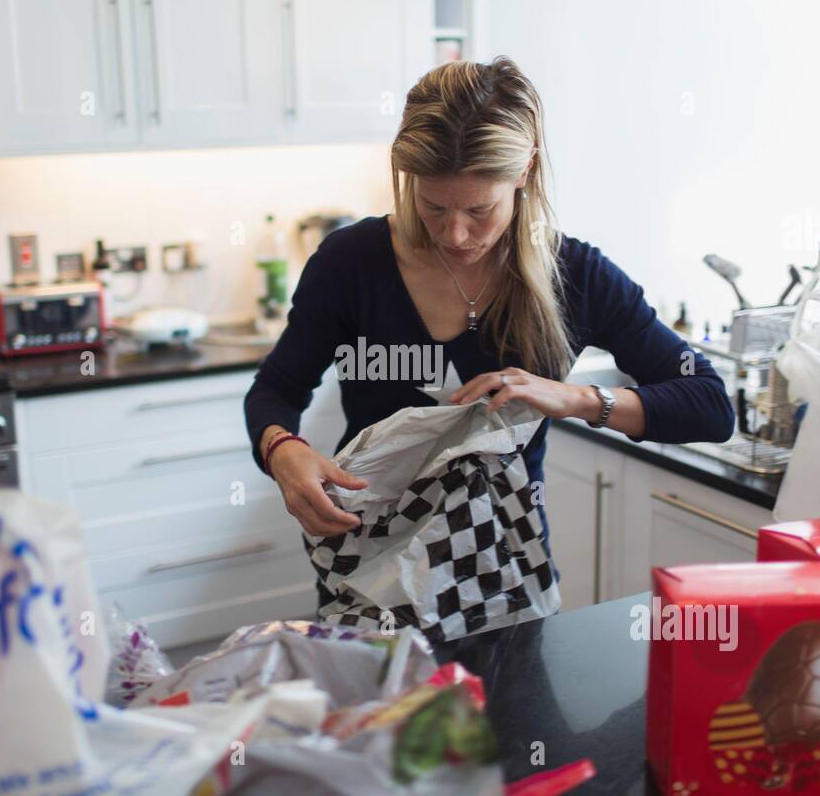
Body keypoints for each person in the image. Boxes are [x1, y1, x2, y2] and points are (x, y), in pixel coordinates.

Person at [245, 56, 734, 618]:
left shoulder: (575, 275)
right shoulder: (351, 263)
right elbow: (275, 390)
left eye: (480, 210)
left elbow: (710, 406)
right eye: (433, 207)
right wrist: (283, 451)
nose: (455, 235)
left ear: (524, 171)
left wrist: (573, 399)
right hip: (369, 572)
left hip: (506, 580)